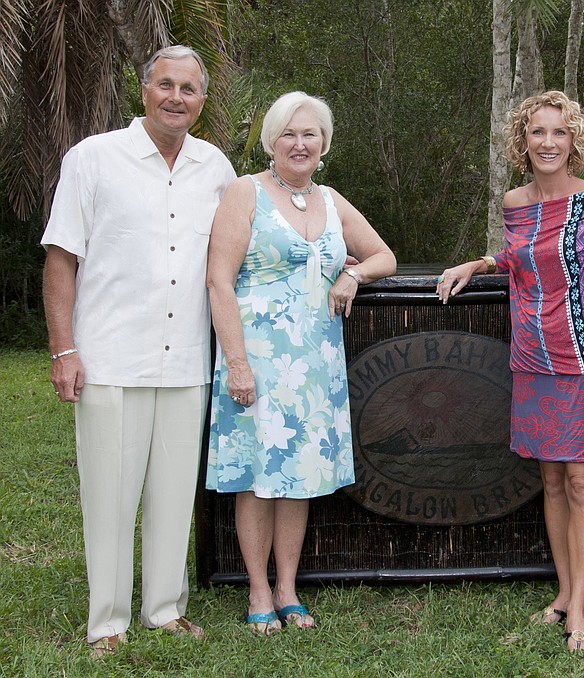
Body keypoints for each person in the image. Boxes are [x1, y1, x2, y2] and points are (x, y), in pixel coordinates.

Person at [41, 46, 236, 656]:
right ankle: (107, 622)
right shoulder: (94, 158)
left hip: (185, 361)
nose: (176, 98)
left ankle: (165, 608)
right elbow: (61, 258)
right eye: (165, 85)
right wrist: (62, 348)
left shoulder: (216, 168)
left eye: (189, 89)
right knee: (110, 494)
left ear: (202, 101)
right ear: (144, 89)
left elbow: (231, 261)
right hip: (109, 358)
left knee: (175, 496)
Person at [437, 91, 584, 654]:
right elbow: (522, 256)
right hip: (533, 357)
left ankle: (580, 614)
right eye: (537, 132)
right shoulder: (515, 201)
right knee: (549, 480)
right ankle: (564, 593)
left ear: (575, 142)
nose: (548, 143)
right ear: (524, 140)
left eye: (559, 133)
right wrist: (481, 262)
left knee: (580, 482)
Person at [205, 91, 396, 636]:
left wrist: (353, 274)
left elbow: (384, 254)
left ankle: (288, 588)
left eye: (309, 133)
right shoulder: (246, 193)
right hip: (259, 363)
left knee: (298, 479)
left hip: (315, 365)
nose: (299, 142)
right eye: (288, 132)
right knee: (258, 479)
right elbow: (219, 280)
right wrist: (237, 363)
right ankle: (258, 590)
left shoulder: (332, 200)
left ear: (324, 143)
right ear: (270, 140)